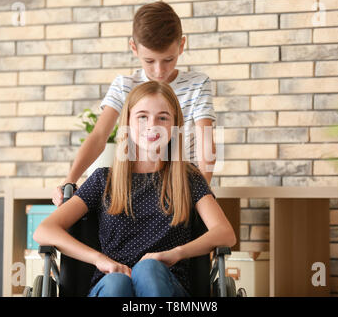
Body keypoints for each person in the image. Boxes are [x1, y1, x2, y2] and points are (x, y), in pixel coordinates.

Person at [34, 81, 236, 297]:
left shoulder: (189, 178)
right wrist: (99, 260)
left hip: (168, 287)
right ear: (128, 122)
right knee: (116, 284)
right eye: (142, 116)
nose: (152, 125)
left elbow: (225, 234)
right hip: (110, 285)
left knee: (148, 270)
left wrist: (175, 254)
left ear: (175, 125)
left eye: (163, 117)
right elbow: (44, 230)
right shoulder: (104, 180)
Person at [52, 1, 217, 207]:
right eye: (149, 61)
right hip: (138, 189)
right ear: (134, 48)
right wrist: (70, 180)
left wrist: (201, 195)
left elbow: (205, 140)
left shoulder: (197, 85)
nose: (159, 71)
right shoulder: (124, 85)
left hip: (184, 187)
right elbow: (98, 136)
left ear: (181, 45)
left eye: (168, 59)